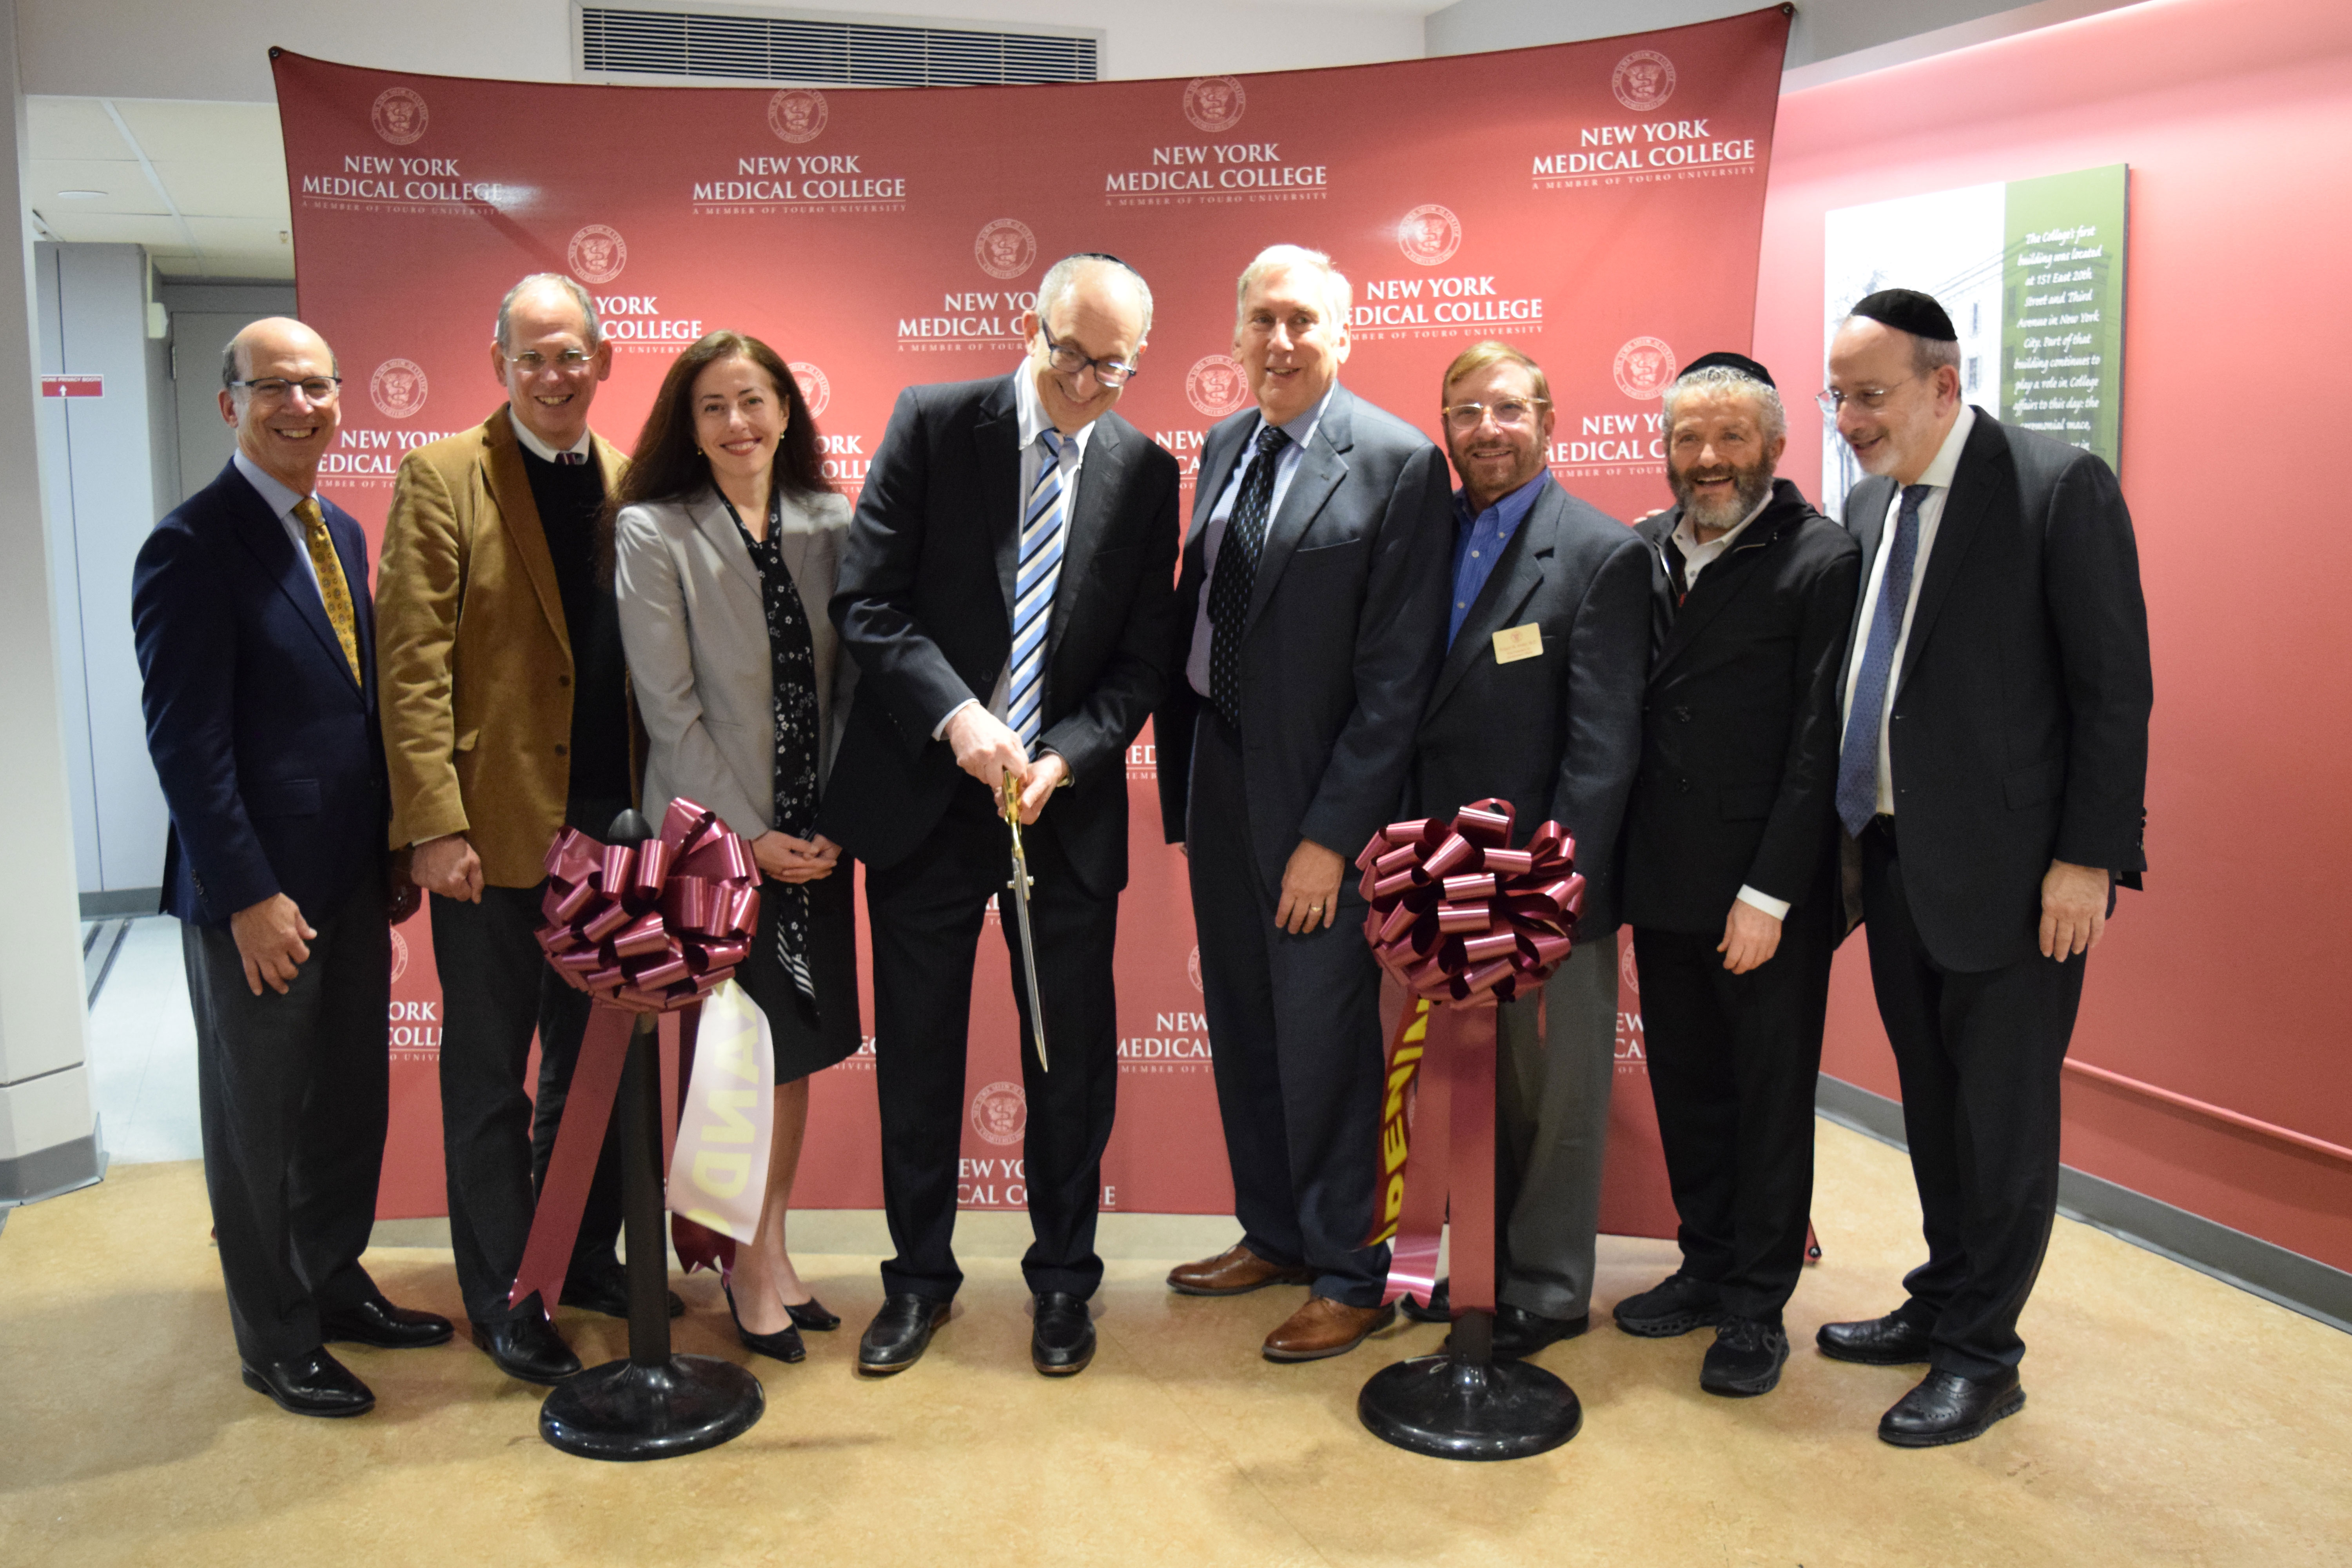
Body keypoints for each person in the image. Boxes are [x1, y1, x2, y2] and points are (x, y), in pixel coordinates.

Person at [824, 254, 1180, 1378]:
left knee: (1067, 1061)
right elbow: (866, 602)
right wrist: (958, 719)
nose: (1086, 382)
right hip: (932, 792)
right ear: (1032, 329)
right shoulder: (936, 425)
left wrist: (1071, 756)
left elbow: (1140, 663)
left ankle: (1065, 1283)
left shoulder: (1146, 470)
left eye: (1113, 366)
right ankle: (919, 1281)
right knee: (921, 1054)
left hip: (1058, 812)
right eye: (1071, 354)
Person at [1818, 289, 2151, 1445]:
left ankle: (1983, 1357)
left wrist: (2087, 861)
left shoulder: (2057, 487)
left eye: (1870, 395)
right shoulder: (1867, 502)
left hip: (2020, 880)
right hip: (1900, 861)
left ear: (1943, 384)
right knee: (1935, 1107)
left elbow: (2114, 692)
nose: (1849, 417)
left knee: (2002, 1122)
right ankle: (1945, 1295)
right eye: (1839, 396)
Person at [132, 318, 450, 1418]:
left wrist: (390, 852)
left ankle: (330, 1278)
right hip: (256, 896)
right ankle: (273, 1335)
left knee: (344, 1106)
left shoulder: (344, 531)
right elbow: (188, 745)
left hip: (350, 884)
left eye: (318, 385)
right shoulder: (190, 544)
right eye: (275, 387)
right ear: (231, 404)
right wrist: (249, 897)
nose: (300, 405)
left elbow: (352, 716)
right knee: (258, 1119)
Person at [1156, 244, 1453, 1362]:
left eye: (1302, 323)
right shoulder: (1227, 442)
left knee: (1325, 1035)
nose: (1278, 344)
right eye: (1260, 321)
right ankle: (1274, 1231)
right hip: (1220, 773)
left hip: (1320, 797)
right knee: (1243, 1016)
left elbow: (1395, 685)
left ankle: (1349, 1267)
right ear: (1235, 333)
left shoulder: (1396, 461)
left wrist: (1333, 837)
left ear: (1342, 334)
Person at [376, 273, 665, 1388]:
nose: (555, 376)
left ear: (603, 363)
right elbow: (410, 671)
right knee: (492, 1079)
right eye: (533, 356)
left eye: (573, 356)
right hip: (490, 840)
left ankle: (580, 1256)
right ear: (501, 363)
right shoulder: (444, 477)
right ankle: (504, 1294)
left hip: (611, 832)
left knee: (591, 1072)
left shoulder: (633, 484)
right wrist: (433, 827)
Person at [1613, 352, 1860, 1397]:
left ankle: (1757, 1306)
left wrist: (1770, 893)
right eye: (1688, 440)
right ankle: (1705, 1265)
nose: (1707, 460)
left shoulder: (1822, 560)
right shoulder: (1633, 554)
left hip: (1766, 896)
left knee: (1766, 1100)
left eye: (1730, 439)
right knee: (1689, 1090)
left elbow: (1821, 747)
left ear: (1774, 446)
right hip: (1662, 881)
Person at [613, 331, 861, 1363]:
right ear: (689, 424)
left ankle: (773, 1243)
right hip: (721, 849)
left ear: (787, 411)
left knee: (794, 1054)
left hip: (816, 836)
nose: (738, 424)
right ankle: (744, 1262)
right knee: (738, 1056)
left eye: (754, 400)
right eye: (713, 406)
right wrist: (751, 839)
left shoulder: (833, 521)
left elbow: (856, 682)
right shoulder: (652, 530)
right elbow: (668, 712)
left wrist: (832, 819)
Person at [1399, 341, 1650, 1358]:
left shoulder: (1601, 552)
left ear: (1548, 418)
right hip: (1441, 872)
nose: (1485, 430)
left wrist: (1555, 896)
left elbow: (1603, 747)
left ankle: (1544, 1290)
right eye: (1465, 413)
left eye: (1506, 409)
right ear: (1446, 428)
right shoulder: (1420, 541)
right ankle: (1480, 1272)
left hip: (1548, 885)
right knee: (1474, 1093)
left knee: (1558, 1098)